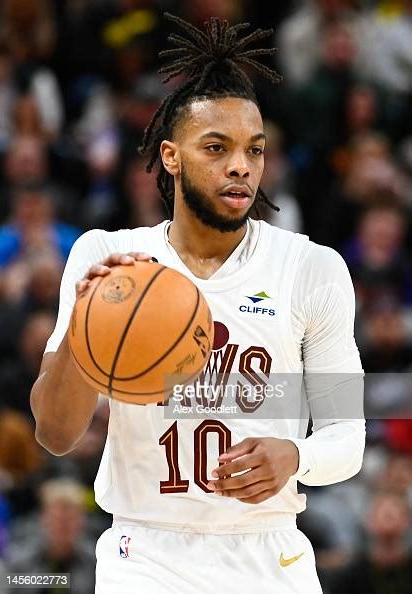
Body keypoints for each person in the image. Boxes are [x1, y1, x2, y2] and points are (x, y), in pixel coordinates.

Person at [30, 14, 365, 594]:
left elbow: (348, 437)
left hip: (270, 552)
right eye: (217, 147)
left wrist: (296, 456)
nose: (241, 166)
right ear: (170, 156)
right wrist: (87, 329)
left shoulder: (312, 268)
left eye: (254, 151)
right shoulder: (109, 257)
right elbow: (56, 433)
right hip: (146, 553)